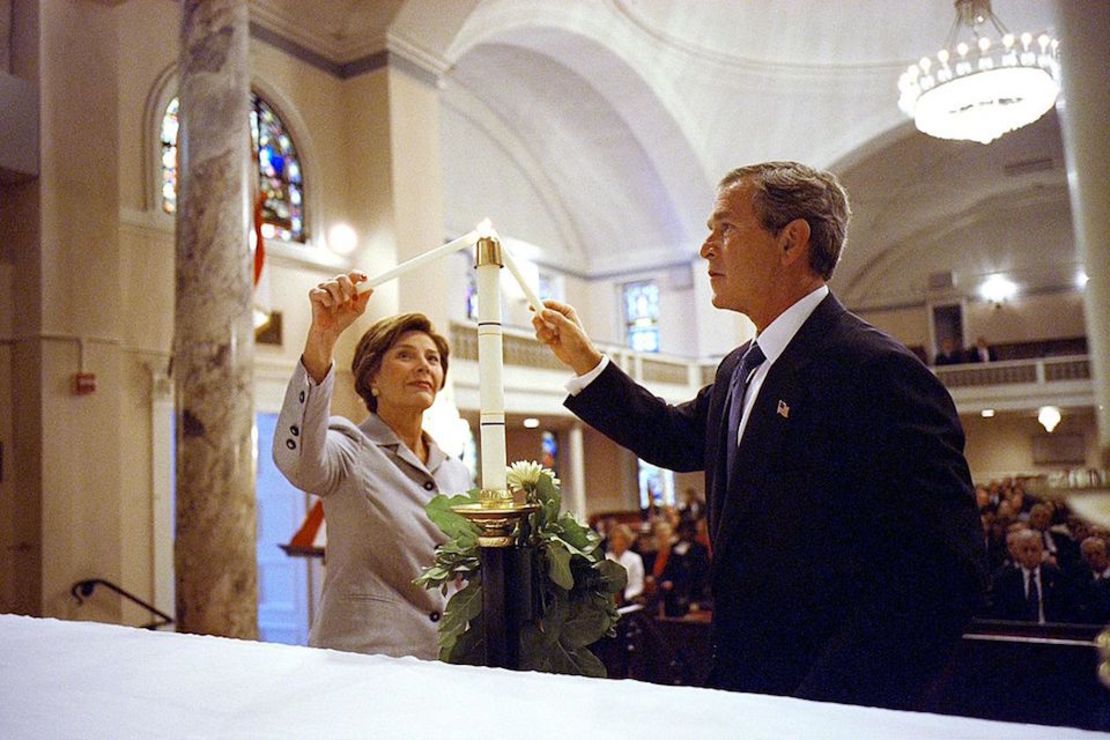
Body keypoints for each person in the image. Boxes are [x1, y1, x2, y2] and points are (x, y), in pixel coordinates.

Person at [532, 161, 986, 709]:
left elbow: (941, 572)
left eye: (725, 228)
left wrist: (828, 708)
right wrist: (585, 361)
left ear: (791, 240)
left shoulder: (873, 370)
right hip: (746, 687)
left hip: (828, 700)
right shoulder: (740, 367)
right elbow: (674, 437)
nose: (706, 249)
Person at [272, 270, 471, 659]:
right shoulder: (351, 448)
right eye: (405, 355)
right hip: (365, 659)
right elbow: (297, 462)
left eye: (432, 359)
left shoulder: (456, 471)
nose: (423, 366)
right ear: (372, 377)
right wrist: (323, 339)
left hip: (448, 662)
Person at [605, 524, 645, 603]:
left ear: (627, 541)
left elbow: (637, 584)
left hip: (628, 600)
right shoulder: (605, 558)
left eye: (622, 538)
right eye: (615, 538)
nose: (618, 541)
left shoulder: (635, 559)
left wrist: (625, 596)